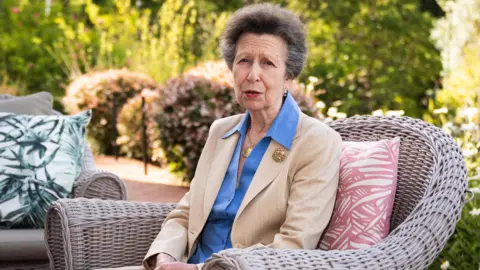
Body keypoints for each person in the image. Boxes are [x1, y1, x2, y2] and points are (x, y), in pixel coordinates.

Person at [100, 3, 342, 270]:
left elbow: (295, 245)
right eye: (244, 61)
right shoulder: (222, 132)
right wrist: (164, 259)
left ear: (289, 77)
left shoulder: (316, 142)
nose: (253, 75)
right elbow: (186, 213)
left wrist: (199, 269)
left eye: (268, 63)